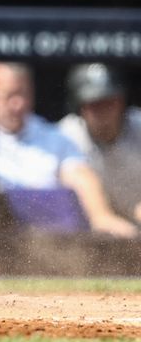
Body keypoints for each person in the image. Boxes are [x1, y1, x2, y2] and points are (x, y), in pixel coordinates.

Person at [0, 61, 137, 237]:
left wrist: (102, 216)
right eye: (8, 95)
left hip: (50, 246)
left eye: (23, 94)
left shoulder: (55, 137)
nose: (18, 104)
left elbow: (81, 177)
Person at [59, 63, 141, 224]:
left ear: (122, 102)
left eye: (109, 103)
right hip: (87, 238)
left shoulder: (138, 126)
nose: (104, 112)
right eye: (95, 105)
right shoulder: (66, 135)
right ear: (80, 107)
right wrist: (103, 218)